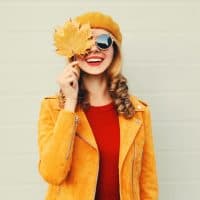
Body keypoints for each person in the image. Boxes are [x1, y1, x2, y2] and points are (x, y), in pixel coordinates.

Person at [37, 11, 159, 200]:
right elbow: (52, 173)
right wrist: (70, 103)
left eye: (103, 41)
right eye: (85, 41)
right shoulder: (53, 108)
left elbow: (147, 183)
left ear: (115, 49)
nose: (94, 49)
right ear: (72, 51)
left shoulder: (138, 112)